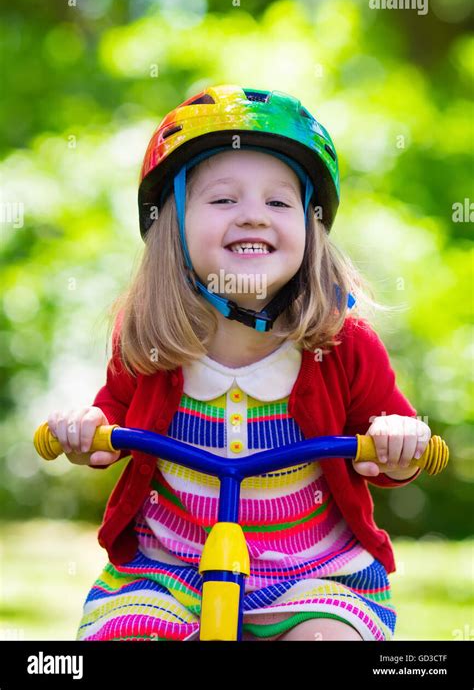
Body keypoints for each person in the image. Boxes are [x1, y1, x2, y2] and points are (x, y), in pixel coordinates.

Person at [47, 84, 431, 642]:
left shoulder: (342, 344)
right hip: (167, 570)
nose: (253, 216)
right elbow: (110, 423)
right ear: (172, 225)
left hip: (310, 572)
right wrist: (85, 430)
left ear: (309, 226)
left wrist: (400, 440)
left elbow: (397, 453)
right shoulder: (150, 336)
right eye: (224, 199)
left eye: (278, 202)